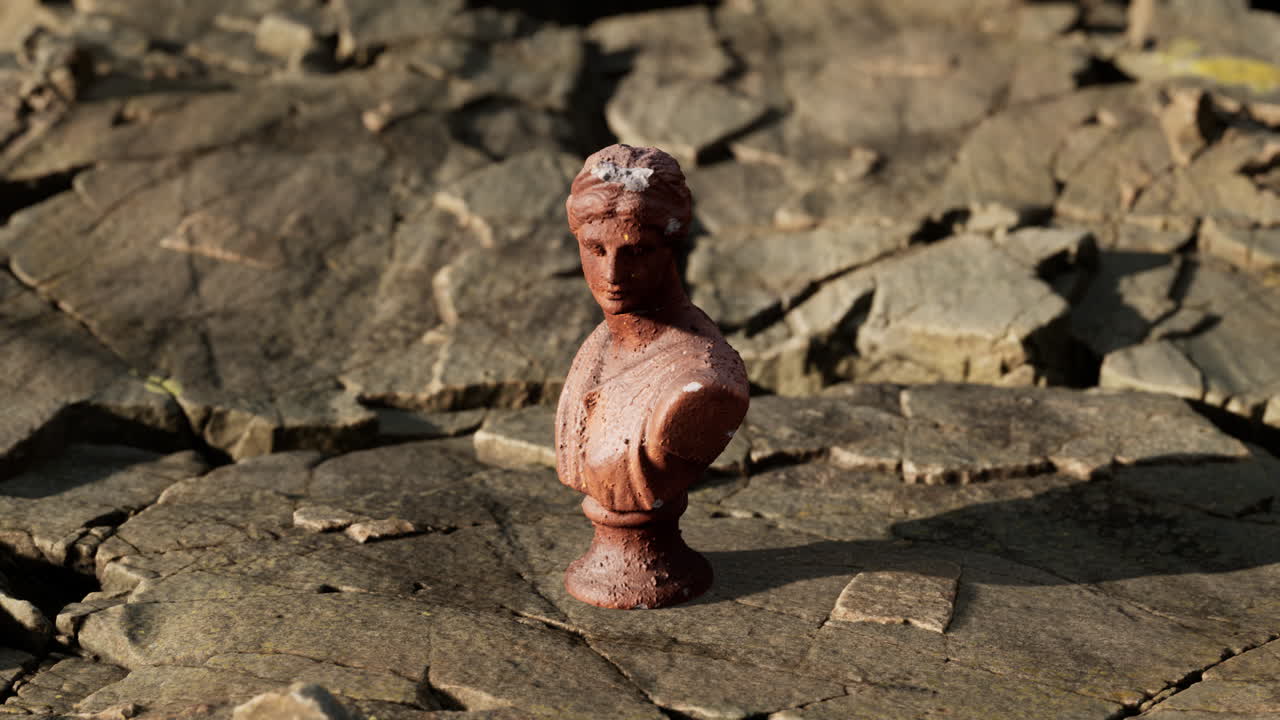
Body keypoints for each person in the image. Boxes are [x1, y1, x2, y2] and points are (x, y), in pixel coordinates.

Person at [556, 144, 750, 608]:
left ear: (671, 248)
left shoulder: (704, 381)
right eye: (595, 249)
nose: (612, 273)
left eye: (636, 251)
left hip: (653, 566)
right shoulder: (597, 345)